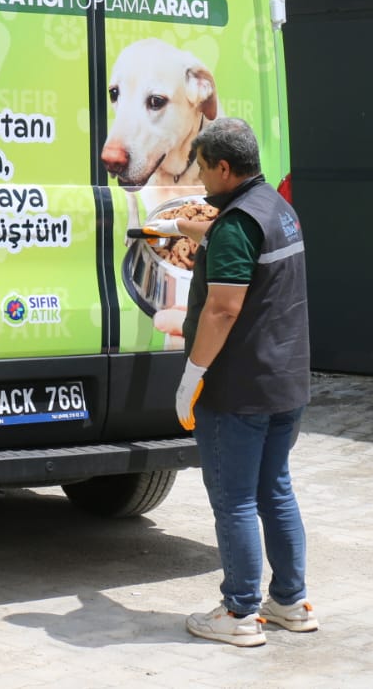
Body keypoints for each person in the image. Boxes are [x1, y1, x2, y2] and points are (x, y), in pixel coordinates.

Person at [150, 117, 315, 647]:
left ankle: (240, 613)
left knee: (235, 499)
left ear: (224, 167)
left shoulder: (235, 226)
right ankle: (290, 603)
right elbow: (237, 242)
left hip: (239, 387)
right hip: (285, 382)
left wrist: (191, 377)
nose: (198, 181)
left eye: (202, 168)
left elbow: (223, 309)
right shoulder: (276, 209)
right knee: (275, 492)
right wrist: (187, 230)